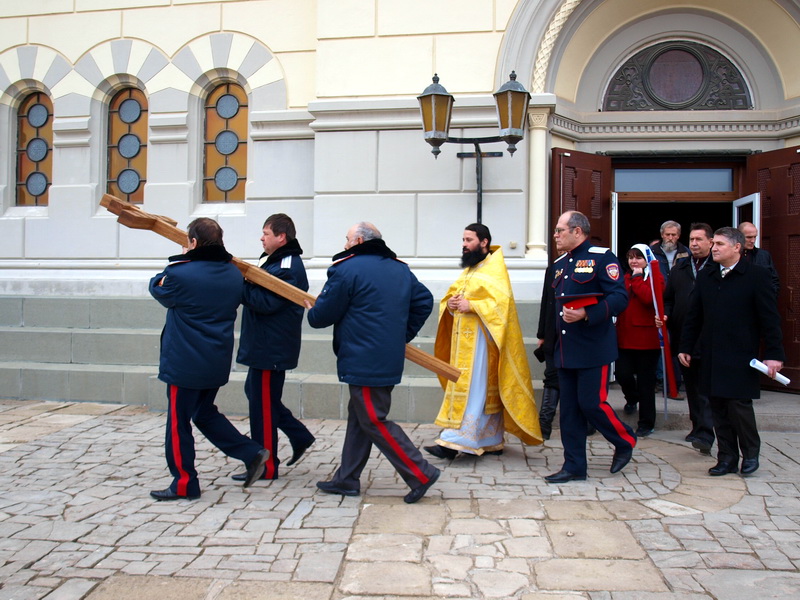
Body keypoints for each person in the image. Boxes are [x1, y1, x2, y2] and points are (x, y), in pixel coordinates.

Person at [306, 222, 440, 504]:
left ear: (357, 240)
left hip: (363, 359)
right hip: (384, 358)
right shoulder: (399, 268)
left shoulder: (346, 269)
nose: (344, 245)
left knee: (373, 419)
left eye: (346, 240)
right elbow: (424, 301)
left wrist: (314, 309)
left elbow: (321, 317)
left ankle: (420, 472)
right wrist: (400, 335)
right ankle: (346, 479)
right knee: (360, 417)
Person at [148, 217, 268, 501]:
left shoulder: (179, 273)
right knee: (203, 412)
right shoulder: (233, 274)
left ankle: (184, 482)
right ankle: (251, 453)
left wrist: (181, 259)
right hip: (215, 359)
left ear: (193, 243)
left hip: (184, 362)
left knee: (178, 423)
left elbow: (157, 288)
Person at [425, 224, 541, 458]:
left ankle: (454, 441)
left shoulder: (494, 268)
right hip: (465, 344)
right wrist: (451, 304)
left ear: (484, 242)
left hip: (482, 344)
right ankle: (489, 439)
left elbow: (502, 306)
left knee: (475, 388)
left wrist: (473, 305)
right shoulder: (472, 268)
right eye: (463, 239)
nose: (464, 244)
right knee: (477, 388)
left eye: (469, 240)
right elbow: (453, 295)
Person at [679, 227, 785, 477]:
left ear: (737, 247)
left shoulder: (757, 276)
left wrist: (774, 354)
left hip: (741, 355)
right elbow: (694, 316)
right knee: (717, 407)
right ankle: (726, 457)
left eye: (720, 244)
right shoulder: (707, 276)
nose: (714, 248)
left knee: (738, 407)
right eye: (713, 243)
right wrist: (685, 346)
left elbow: (770, 319)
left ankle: (750, 454)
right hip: (711, 354)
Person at [545, 211, 636, 483]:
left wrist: (588, 313)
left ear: (577, 231)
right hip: (565, 349)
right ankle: (574, 466)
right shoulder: (561, 264)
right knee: (569, 411)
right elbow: (552, 306)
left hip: (592, 347)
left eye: (560, 230)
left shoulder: (601, 257)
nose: (556, 235)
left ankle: (625, 439)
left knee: (592, 404)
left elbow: (620, 297)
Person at [232, 213, 315, 482]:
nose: (261, 237)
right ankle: (298, 434)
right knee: (256, 396)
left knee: (263, 405)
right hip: (264, 345)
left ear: (281, 237)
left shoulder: (288, 266)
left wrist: (239, 285)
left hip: (271, 348)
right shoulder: (275, 261)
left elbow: (267, 303)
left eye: (266, 233)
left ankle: (267, 466)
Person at [662, 223, 715, 454]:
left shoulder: (717, 267)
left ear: (711, 242)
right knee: (691, 386)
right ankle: (697, 426)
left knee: (706, 387)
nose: (694, 244)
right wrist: (666, 314)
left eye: (699, 240)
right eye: (692, 240)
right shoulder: (679, 268)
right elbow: (669, 299)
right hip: (684, 335)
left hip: (711, 336)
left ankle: (706, 432)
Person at [615, 244, 664, 438]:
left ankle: (646, 422)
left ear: (646, 260)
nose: (634, 261)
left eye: (638, 258)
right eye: (630, 257)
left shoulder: (656, 278)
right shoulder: (623, 278)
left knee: (646, 383)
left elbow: (647, 298)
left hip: (647, 339)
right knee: (622, 374)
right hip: (624, 336)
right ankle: (631, 397)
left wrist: (637, 278)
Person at [737, 221, 779, 295]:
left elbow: (774, 280)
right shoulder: (731, 255)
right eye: (749, 237)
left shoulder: (764, 255)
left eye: (755, 237)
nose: (753, 241)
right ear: (739, 236)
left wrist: (769, 298)